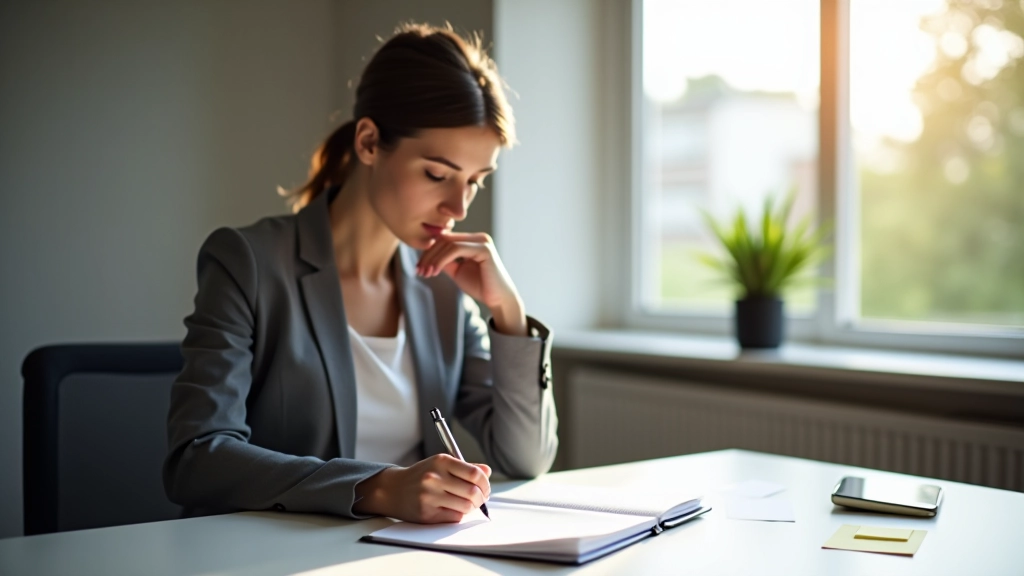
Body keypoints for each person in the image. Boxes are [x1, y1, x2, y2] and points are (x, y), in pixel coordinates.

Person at [163, 23, 558, 524]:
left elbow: (525, 457)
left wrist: (508, 312)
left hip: (398, 557)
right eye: (437, 174)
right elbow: (196, 460)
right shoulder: (249, 262)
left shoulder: (444, 289)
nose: (458, 206)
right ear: (369, 142)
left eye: (474, 182)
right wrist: (378, 487)